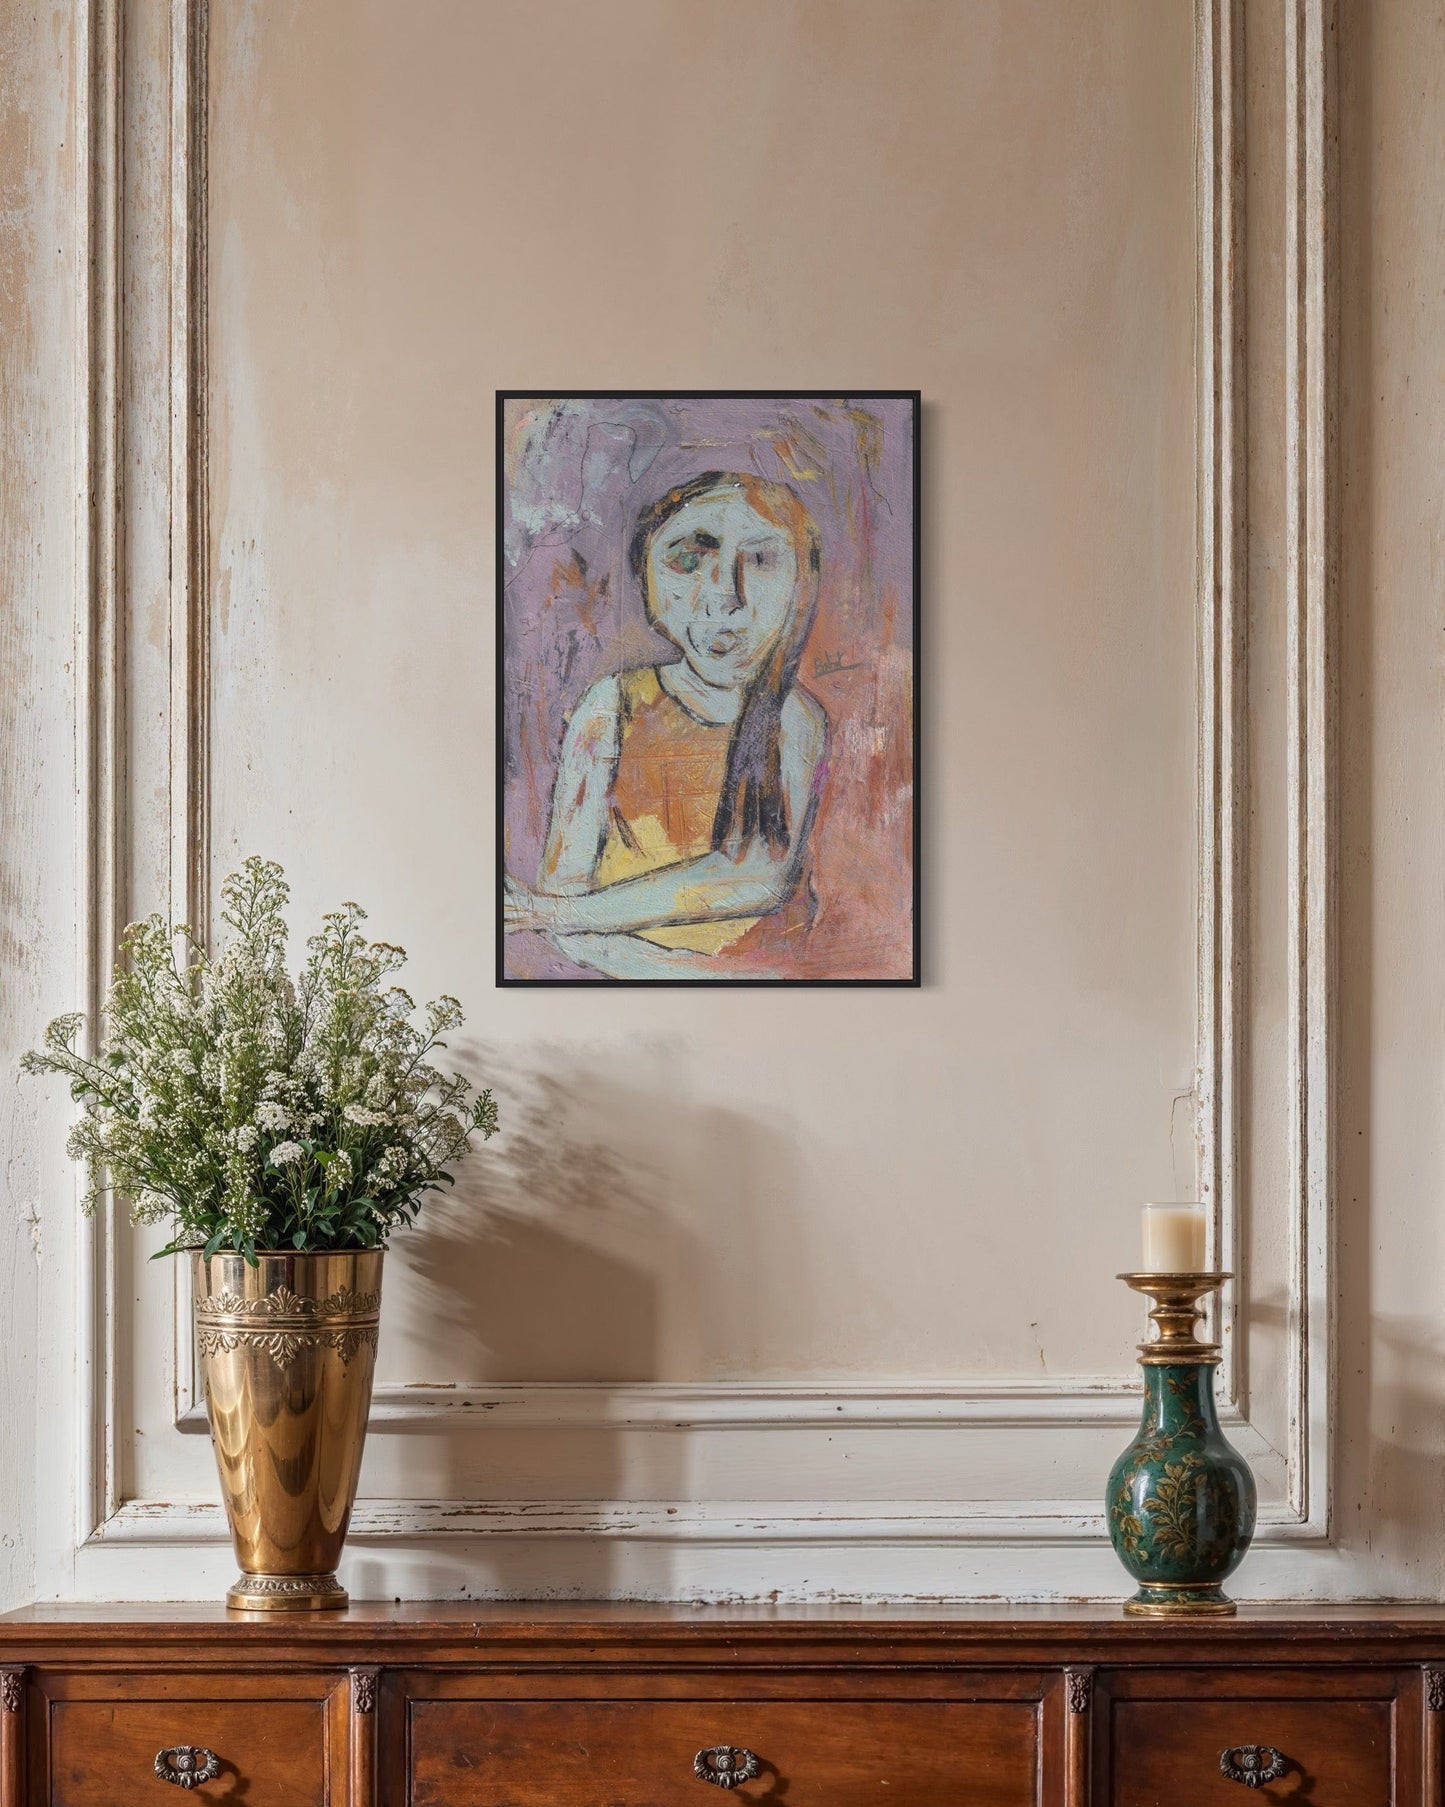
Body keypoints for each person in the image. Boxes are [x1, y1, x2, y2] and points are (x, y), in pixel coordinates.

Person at [504, 470, 828, 979]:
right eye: (688, 559)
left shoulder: (794, 719)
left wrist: (562, 915)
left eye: (762, 560)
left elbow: (760, 876)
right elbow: (565, 899)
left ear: (801, 583)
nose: (726, 596)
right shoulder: (608, 707)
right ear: (647, 578)